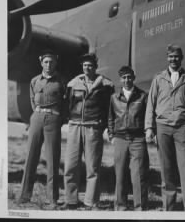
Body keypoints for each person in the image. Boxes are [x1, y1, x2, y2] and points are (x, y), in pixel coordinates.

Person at [145, 44, 185, 211]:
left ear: (181, 58)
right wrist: (149, 127)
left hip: (183, 128)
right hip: (163, 127)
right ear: (167, 58)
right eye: (170, 56)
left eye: (176, 56)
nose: (173, 59)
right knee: (166, 169)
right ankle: (168, 208)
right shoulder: (158, 78)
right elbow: (151, 104)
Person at [63, 53, 114, 210]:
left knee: (93, 167)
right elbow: (68, 104)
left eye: (90, 65)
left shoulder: (106, 85)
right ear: (82, 66)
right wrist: (70, 119)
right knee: (71, 165)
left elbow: (109, 108)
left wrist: (103, 125)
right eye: (85, 65)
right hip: (75, 126)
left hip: (93, 127)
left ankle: (91, 202)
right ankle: (71, 200)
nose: (87, 68)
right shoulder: (73, 83)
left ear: (95, 67)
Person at [17, 49, 66, 209]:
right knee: (31, 156)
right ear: (41, 63)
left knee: (52, 159)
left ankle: (52, 198)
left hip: (53, 119)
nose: (49, 64)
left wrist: (58, 117)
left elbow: (66, 103)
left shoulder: (61, 81)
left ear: (56, 63)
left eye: (51, 61)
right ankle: (24, 195)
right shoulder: (34, 81)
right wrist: (37, 115)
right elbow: (32, 100)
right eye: (46, 61)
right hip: (37, 117)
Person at [108, 66, 149, 211]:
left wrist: (147, 133)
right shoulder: (114, 97)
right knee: (119, 174)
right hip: (120, 139)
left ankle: (140, 207)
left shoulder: (142, 96)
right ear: (120, 79)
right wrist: (111, 135)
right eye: (124, 77)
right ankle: (120, 206)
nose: (127, 80)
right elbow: (110, 118)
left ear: (134, 77)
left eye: (129, 77)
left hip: (137, 139)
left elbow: (147, 117)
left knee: (138, 175)